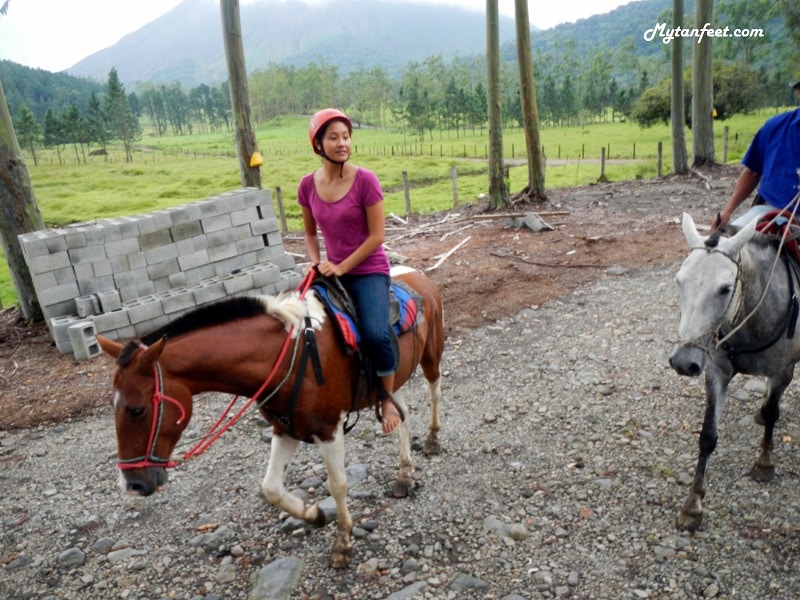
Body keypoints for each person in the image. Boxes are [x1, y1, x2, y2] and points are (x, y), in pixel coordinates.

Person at [297, 108, 403, 435]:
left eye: (346, 136)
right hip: (331, 270)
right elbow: (310, 233)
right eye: (334, 137)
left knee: (374, 332)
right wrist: (315, 261)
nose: (342, 143)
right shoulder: (307, 186)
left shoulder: (365, 181)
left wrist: (341, 266)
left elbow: (378, 237)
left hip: (368, 270)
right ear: (318, 144)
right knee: (301, 325)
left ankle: (386, 395)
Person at [712, 80, 800, 231]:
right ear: (799, 92)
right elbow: (752, 172)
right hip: (769, 211)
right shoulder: (774, 127)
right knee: (724, 245)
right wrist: (727, 211)